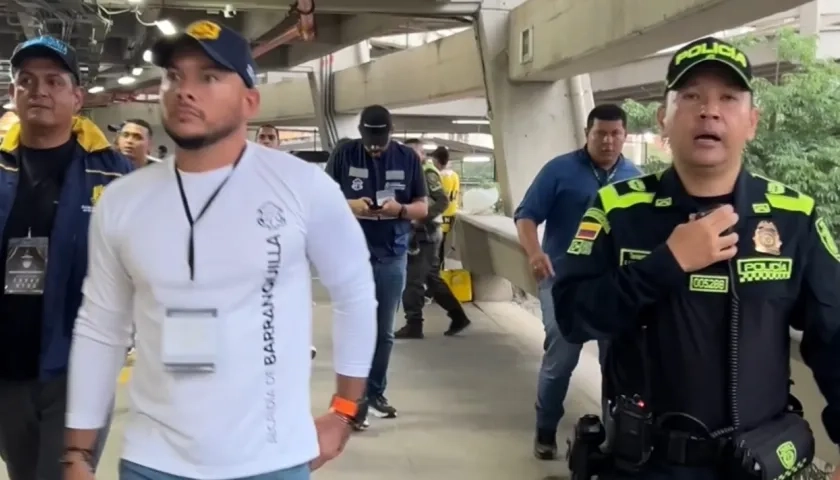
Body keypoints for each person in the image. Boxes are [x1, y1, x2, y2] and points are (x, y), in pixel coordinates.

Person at [63, 20, 377, 480]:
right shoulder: (124, 201)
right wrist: (77, 451)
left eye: (209, 77)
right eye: (175, 75)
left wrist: (345, 410)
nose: (185, 90)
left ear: (250, 100)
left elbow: (354, 293)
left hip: (272, 459)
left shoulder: (302, 187)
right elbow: (101, 326)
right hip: (153, 460)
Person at [554, 37, 840, 480]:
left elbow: (834, 335)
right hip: (644, 466)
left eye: (728, 98)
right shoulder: (617, 210)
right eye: (691, 97)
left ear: (752, 122)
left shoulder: (793, 216)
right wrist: (666, 262)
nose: (709, 110)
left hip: (759, 464)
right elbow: (572, 317)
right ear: (663, 120)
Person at [0, 35, 132, 480]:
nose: (39, 90)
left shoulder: (114, 174)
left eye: (54, 81)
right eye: (27, 81)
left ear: (77, 98)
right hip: (7, 365)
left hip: (78, 364)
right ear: (12, 94)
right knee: (21, 472)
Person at [514, 103, 640, 460]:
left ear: (625, 136)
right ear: (587, 134)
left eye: (616, 134)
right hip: (563, 281)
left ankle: (614, 436)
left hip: (614, 285)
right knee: (562, 356)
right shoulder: (559, 170)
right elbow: (526, 216)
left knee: (614, 361)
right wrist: (535, 253)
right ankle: (546, 428)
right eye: (600, 133)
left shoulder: (635, 176)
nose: (608, 141)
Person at [325, 105, 428, 425]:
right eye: (369, 140)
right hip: (351, 254)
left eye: (379, 141)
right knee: (353, 329)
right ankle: (350, 402)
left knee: (384, 332)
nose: (373, 147)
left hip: (392, 255)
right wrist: (351, 206)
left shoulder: (408, 159)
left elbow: (422, 207)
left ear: (390, 133)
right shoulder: (344, 156)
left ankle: (373, 394)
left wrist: (399, 210)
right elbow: (322, 202)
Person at [395, 139, 470, 339]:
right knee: (431, 278)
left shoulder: (426, 173)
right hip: (421, 232)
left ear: (422, 154)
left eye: (414, 152)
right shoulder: (410, 171)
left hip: (426, 232)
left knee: (414, 280)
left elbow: (443, 200)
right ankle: (458, 316)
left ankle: (414, 323)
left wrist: (421, 217)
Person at [430, 146, 459, 266]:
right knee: (441, 247)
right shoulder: (454, 175)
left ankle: (437, 274)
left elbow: (441, 198)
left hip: (441, 215)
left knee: (436, 249)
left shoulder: (442, 176)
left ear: (437, 160)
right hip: (450, 215)